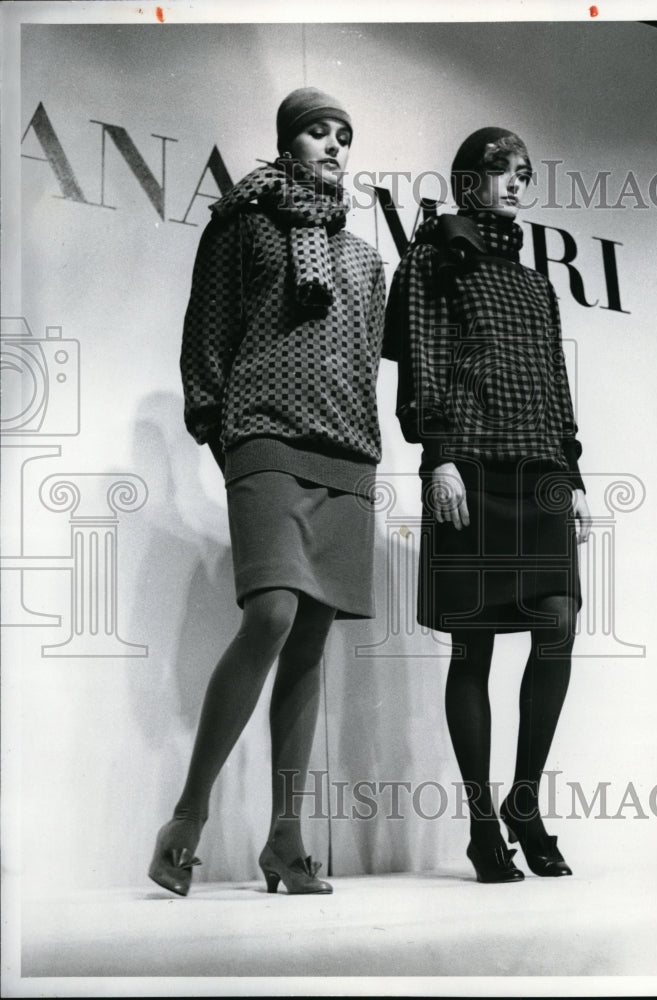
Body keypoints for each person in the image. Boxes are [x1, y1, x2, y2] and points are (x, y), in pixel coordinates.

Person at [148, 87, 386, 897]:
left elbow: (362, 356)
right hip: (264, 433)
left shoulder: (363, 257)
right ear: (288, 141)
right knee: (273, 613)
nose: (333, 145)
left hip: (345, 449)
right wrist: (223, 435)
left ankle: (286, 841)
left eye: (343, 135)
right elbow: (206, 336)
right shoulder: (241, 223)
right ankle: (188, 816)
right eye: (318, 131)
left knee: (311, 641)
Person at [383, 127, 592, 884]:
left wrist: (569, 470)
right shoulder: (431, 259)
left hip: (537, 465)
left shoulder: (535, 283)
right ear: (468, 182)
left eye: (523, 173)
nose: (514, 183)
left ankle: (524, 803)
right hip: (469, 460)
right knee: (473, 646)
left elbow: (555, 382)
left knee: (557, 623)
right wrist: (436, 456)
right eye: (499, 171)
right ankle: (480, 827)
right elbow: (424, 361)